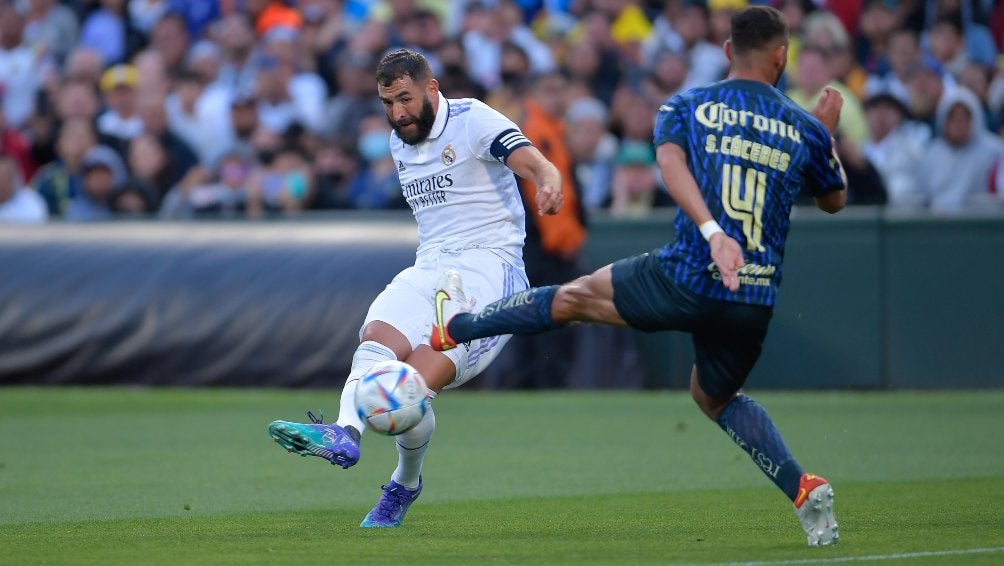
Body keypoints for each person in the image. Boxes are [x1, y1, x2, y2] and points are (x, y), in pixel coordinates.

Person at [429, 6, 847, 547]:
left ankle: (453, 329)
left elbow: (670, 167)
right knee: (715, 398)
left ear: (726, 51)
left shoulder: (689, 104)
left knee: (573, 297)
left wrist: (711, 230)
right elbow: (834, 200)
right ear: (782, 55)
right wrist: (823, 134)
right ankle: (801, 488)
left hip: (689, 272)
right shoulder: (801, 124)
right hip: (754, 294)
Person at [267, 48, 563, 527]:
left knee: (412, 388)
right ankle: (344, 433)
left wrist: (548, 177)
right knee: (375, 346)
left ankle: (405, 483)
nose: (398, 113)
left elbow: (526, 157)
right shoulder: (398, 141)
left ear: (432, 88)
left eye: (405, 99)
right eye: (387, 103)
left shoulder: (472, 118)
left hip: (490, 272)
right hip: (429, 267)